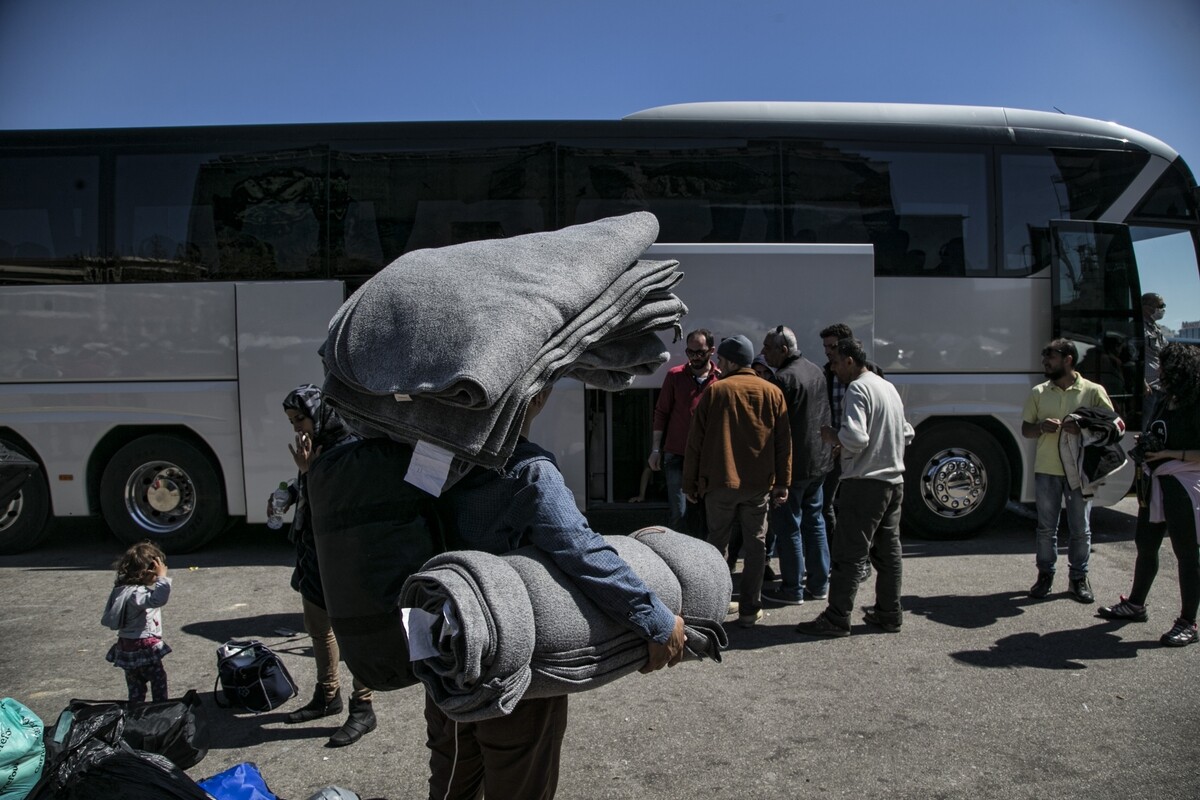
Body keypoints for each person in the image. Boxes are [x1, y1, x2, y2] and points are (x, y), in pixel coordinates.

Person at [427, 384, 687, 800]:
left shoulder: (431, 457)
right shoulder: (527, 470)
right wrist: (655, 619)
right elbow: (581, 551)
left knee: (452, 779)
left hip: (444, 652)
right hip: (512, 664)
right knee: (520, 784)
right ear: (537, 396)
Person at [795, 337, 913, 638]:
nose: (833, 370)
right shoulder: (886, 386)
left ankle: (836, 618)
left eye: (836, 363)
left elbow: (857, 438)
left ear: (850, 361)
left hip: (865, 483)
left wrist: (833, 436)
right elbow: (907, 432)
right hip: (893, 481)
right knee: (888, 552)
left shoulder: (858, 388)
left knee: (849, 553)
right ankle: (890, 613)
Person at [278, 384, 375, 748]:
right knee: (317, 626)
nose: (296, 428)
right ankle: (327, 695)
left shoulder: (349, 447)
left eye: (300, 419)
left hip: (343, 554)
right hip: (312, 550)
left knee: (355, 632)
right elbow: (308, 491)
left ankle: (363, 705)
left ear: (319, 413)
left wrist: (310, 470)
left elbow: (341, 505)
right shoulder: (313, 445)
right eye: (291, 421)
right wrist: (291, 489)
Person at [683, 334, 791, 628]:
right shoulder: (772, 392)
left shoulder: (716, 392)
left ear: (731, 362)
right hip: (759, 485)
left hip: (720, 482)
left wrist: (690, 483)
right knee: (756, 546)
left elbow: (695, 442)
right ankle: (749, 608)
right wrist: (783, 481)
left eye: (721, 359)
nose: (718, 364)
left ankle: (716, 605)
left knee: (717, 544)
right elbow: (783, 442)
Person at [1098, 342, 1200, 647]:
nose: (1160, 372)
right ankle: (1136, 604)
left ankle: (1188, 622)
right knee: (1145, 543)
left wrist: (1170, 453)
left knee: (1187, 554)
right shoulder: (1168, 399)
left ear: (1181, 370)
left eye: (1166, 367)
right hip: (1156, 481)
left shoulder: (1196, 401)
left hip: (1184, 483)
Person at [1021, 339, 1114, 604]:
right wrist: (1041, 427)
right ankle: (1045, 576)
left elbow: (1112, 425)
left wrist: (1083, 427)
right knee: (1045, 528)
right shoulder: (1039, 392)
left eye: (1050, 357)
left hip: (1080, 471)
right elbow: (1026, 429)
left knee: (1080, 528)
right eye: (1044, 358)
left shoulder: (1093, 391)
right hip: (1046, 469)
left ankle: (1079, 579)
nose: (1045, 363)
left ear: (1068, 359)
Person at [761, 325, 833, 605]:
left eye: (768, 348)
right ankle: (820, 584)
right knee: (814, 522)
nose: (763, 353)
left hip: (793, 467)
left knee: (788, 526)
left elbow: (774, 429)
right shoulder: (815, 370)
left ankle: (793, 588)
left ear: (783, 350)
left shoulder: (783, 379)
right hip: (818, 462)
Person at [818, 322, 884, 581]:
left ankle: (861, 560)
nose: (828, 352)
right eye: (825, 347)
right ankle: (837, 557)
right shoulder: (827, 372)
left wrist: (840, 438)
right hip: (835, 449)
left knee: (859, 510)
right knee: (827, 504)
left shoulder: (870, 374)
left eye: (832, 346)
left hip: (860, 450)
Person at [648, 329, 720, 535]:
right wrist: (656, 449)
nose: (695, 357)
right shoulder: (675, 376)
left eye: (700, 352)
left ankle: (704, 550)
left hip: (708, 457)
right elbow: (661, 412)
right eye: (690, 352)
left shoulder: (720, 379)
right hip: (677, 453)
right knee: (678, 513)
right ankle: (677, 551)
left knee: (707, 512)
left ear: (711, 351)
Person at [102, 540, 172, 702]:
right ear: (147, 571)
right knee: (158, 680)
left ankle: (136, 710)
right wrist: (162, 578)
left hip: (126, 645)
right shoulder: (137, 594)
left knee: (136, 686)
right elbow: (158, 600)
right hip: (143, 644)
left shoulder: (122, 590)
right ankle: (160, 708)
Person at [1140, 292, 1168, 428]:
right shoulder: (1139, 327)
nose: (1162, 309)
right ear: (1147, 307)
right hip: (1148, 388)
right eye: (1160, 306)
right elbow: (1134, 356)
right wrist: (1142, 382)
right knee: (1145, 426)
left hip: (1160, 386)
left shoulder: (1156, 328)